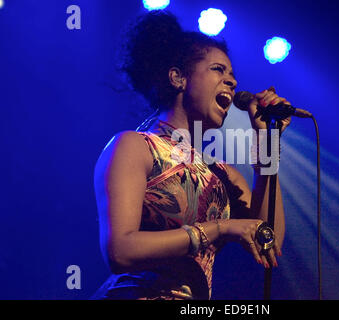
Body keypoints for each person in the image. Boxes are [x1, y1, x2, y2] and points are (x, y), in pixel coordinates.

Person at [91, 10, 292, 300]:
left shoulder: (224, 175)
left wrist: (267, 140)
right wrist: (220, 228)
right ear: (178, 78)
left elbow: (268, 243)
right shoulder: (135, 147)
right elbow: (119, 251)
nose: (232, 82)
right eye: (218, 70)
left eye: (233, 75)